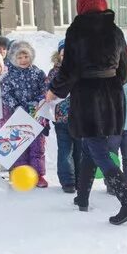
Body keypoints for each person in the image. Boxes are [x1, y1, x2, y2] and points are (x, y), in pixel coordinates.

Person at [46, 0, 127, 225]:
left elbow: (69, 70)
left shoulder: (77, 30)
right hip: (111, 96)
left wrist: (55, 90)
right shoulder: (115, 30)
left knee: (97, 148)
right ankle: (83, 198)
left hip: (87, 96)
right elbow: (125, 70)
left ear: (81, 5)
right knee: (91, 146)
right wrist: (110, 83)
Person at [2, 40, 49, 186]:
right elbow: (5, 94)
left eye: (26, 57)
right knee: (19, 146)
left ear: (31, 56)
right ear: (14, 59)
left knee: (37, 147)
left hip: (36, 115)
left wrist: (36, 103)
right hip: (18, 116)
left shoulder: (38, 73)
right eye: (19, 57)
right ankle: (21, 174)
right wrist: (15, 106)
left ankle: (38, 175)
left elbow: (45, 90)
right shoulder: (9, 76)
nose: (23, 60)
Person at [46, 41, 77, 192]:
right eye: (64, 54)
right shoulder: (54, 73)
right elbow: (49, 92)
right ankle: (68, 180)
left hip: (80, 118)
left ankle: (79, 177)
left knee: (80, 150)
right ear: (59, 55)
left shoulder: (81, 71)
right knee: (65, 150)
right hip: (61, 118)